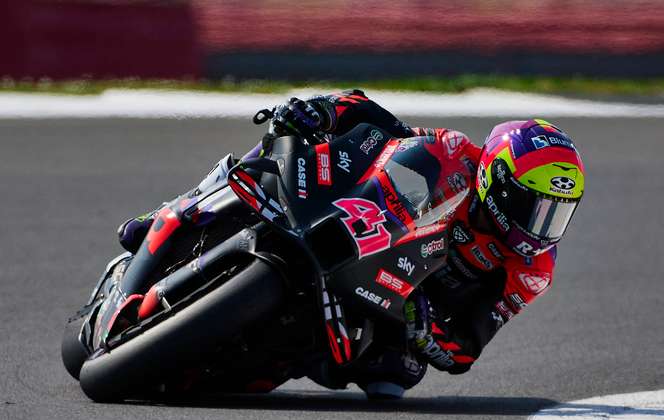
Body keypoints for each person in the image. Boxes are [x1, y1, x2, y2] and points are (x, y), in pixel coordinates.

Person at [118, 90, 585, 399]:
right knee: (280, 144)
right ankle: (180, 208)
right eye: (534, 207)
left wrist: (426, 332)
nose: (541, 226)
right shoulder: (452, 151)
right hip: (363, 230)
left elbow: (465, 351)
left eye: (556, 213)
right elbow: (375, 122)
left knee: (394, 381)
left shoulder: (531, 270)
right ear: (499, 181)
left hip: (395, 309)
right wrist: (320, 111)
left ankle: (248, 360)